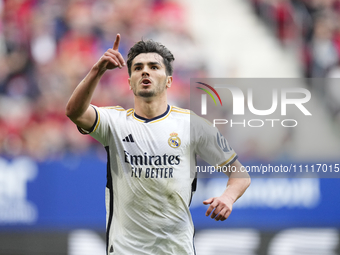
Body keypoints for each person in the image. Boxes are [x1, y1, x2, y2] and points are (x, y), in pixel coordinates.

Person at [66, 34, 251, 255]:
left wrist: (228, 198)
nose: (145, 71)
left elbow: (240, 174)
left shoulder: (193, 125)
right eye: (138, 68)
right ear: (130, 82)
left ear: (169, 80)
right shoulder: (114, 123)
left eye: (154, 67)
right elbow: (74, 112)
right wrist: (97, 71)